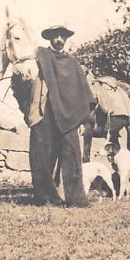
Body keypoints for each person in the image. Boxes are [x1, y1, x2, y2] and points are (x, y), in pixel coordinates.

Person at [24, 24, 95, 207]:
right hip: (45, 111)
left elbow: (82, 90)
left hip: (68, 115)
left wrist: (81, 116)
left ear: (66, 39)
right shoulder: (41, 56)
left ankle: (76, 199)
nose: (59, 40)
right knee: (41, 155)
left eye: (62, 36)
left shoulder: (72, 63)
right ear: (50, 38)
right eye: (55, 36)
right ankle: (45, 197)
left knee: (72, 155)